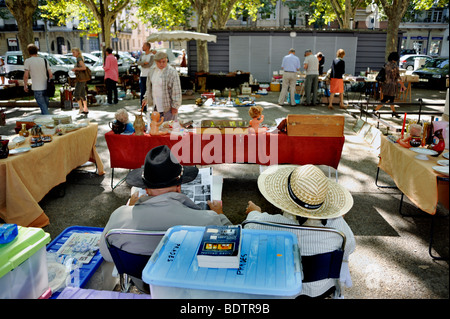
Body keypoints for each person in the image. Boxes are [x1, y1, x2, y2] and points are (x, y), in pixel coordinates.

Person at [99, 145, 232, 292]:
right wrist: (220, 214)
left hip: (144, 286)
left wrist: (129, 207)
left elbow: (107, 254)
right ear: (179, 187)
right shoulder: (208, 221)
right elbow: (235, 245)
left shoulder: (119, 216)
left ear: (147, 189)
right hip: (189, 288)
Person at [244, 164, 355, 298]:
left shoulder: (276, 224)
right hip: (322, 289)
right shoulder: (338, 227)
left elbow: (250, 226)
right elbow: (349, 246)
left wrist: (255, 211)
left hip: (283, 288)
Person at [142, 51, 182, 122]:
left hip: (168, 107)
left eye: (163, 61)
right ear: (155, 61)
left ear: (166, 60)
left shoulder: (172, 72)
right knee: (157, 129)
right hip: (155, 106)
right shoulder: (152, 70)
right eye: (159, 62)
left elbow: (176, 90)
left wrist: (175, 106)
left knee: (168, 129)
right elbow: (149, 88)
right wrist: (146, 98)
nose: (161, 64)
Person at [373, 52, 406, 118]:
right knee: (386, 99)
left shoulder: (386, 64)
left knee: (390, 99)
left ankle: (394, 112)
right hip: (391, 85)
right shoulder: (395, 67)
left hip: (385, 84)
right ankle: (374, 110)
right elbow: (398, 77)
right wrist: (403, 85)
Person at [23, 44, 53, 115]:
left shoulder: (28, 61)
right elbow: (50, 74)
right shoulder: (44, 60)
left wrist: (25, 85)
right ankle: (44, 124)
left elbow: (26, 75)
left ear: (29, 52)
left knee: (44, 108)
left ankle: (48, 122)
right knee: (45, 107)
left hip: (37, 87)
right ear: (37, 51)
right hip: (46, 87)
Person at [71, 47, 89, 116]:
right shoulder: (79, 58)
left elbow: (84, 67)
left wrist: (76, 68)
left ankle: (81, 108)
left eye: (74, 52)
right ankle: (85, 108)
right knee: (82, 93)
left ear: (78, 52)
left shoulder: (79, 59)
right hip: (81, 79)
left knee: (76, 94)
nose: (73, 54)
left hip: (80, 79)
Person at [137, 42, 154, 111]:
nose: (142, 47)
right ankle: (143, 107)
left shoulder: (152, 55)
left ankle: (153, 106)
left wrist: (142, 64)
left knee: (150, 92)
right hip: (142, 75)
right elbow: (138, 62)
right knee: (142, 92)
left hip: (149, 75)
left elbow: (149, 64)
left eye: (143, 46)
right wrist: (144, 63)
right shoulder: (142, 55)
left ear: (147, 47)